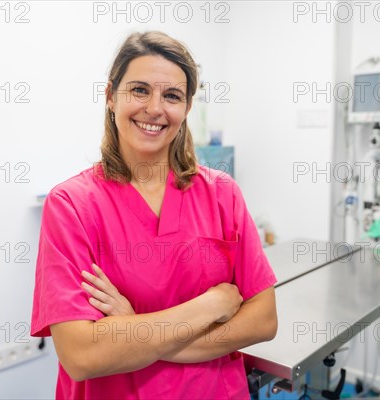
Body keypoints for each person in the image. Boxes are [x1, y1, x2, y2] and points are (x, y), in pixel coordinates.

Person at [31, 31, 278, 400]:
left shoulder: (221, 193)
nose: (155, 108)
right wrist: (210, 305)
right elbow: (82, 354)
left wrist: (131, 329)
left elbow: (263, 320)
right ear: (111, 96)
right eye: (140, 90)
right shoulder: (71, 205)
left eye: (172, 96)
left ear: (187, 109)